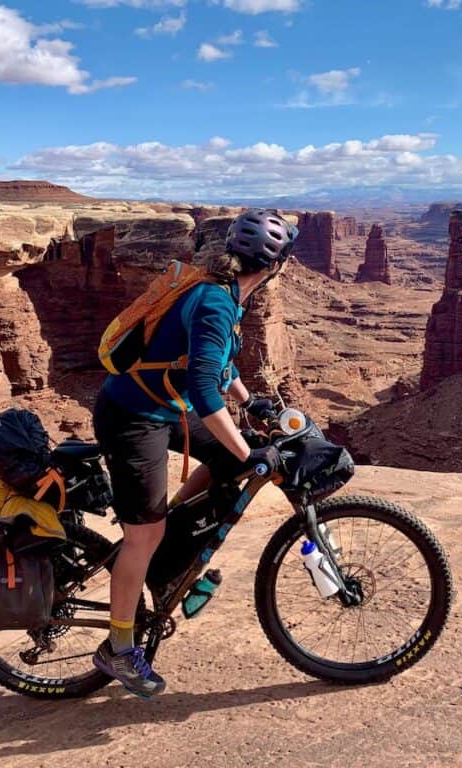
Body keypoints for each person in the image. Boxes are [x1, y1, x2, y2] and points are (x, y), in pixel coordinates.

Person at [91, 209, 298, 698]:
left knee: (229, 465)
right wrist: (249, 450)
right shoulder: (215, 302)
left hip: (168, 410)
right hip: (133, 416)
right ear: (275, 265)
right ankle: (117, 649)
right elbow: (206, 393)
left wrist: (252, 403)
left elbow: (217, 365)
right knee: (145, 532)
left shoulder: (228, 291)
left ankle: (169, 565)